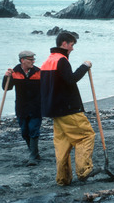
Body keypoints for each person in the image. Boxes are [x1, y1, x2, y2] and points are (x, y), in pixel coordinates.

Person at [40, 32, 99, 186]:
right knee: (86, 136)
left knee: (63, 144)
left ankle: (63, 178)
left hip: (54, 110)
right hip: (68, 109)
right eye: (71, 45)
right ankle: (84, 171)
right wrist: (85, 66)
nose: (72, 49)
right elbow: (71, 79)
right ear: (64, 44)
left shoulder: (47, 61)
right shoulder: (61, 60)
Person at [2, 51, 42, 166]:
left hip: (36, 107)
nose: (33, 62)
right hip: (21, 107)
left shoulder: (39, 72)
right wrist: (6, 77)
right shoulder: (15, 73)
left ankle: (33, 157)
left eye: (33, 59)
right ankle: (34, 153)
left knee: (34, 130)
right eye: (30, 60)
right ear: (22, 60)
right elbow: (6, 88)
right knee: (25, 131)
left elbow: (47, 88)